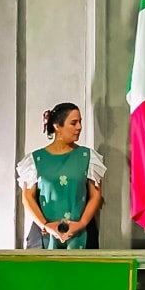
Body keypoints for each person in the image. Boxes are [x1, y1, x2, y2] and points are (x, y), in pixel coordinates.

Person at [18, 103, 107, 249]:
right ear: (57, 126)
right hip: (44, 235)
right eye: (73, 123)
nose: (79, 127)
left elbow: (95, 196)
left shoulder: (88, 157)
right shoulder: (35, 160)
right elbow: (27, 197)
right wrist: (46, 226)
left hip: (81, 234)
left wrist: (81, 224)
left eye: (80, 122)